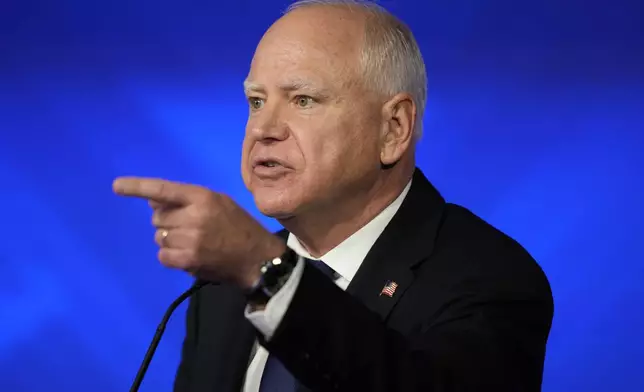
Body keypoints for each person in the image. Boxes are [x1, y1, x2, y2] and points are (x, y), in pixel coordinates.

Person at [113, 0, 554, 391]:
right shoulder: (221, 293)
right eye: (256, 101)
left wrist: (266, 273)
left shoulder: (489, 277)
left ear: (393, 129)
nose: (264, 130)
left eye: (303, 100)